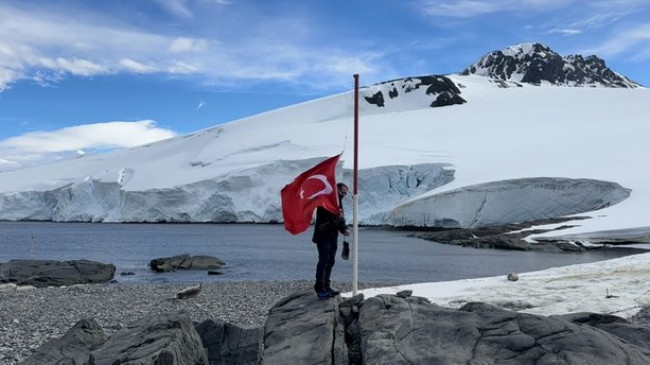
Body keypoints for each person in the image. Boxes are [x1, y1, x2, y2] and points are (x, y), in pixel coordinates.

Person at [312, 182, 351, 300]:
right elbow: (326, 220)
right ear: (337, 190)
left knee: (330, 261)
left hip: (332, 236)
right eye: (342, 192)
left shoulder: (339, 203)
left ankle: (327, 286)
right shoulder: (325, 201)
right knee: (323, 261)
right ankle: (320, 288)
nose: (344, 194)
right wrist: (337, 221)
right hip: (323, 236)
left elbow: (339, 219)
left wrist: (343, 228)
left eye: (345, 193)